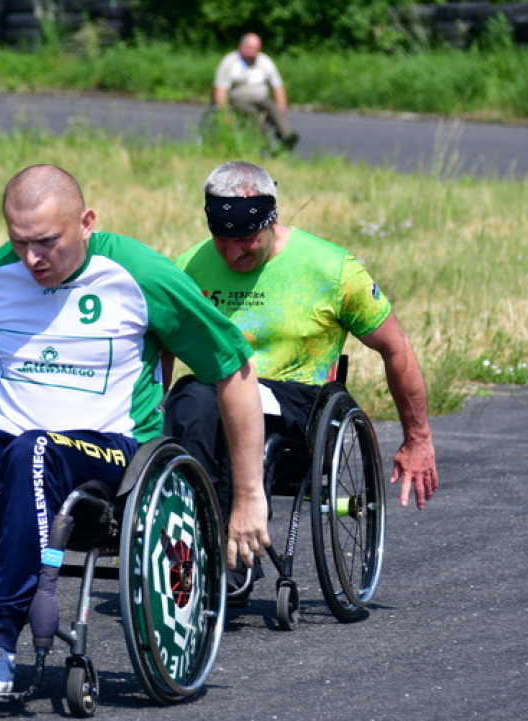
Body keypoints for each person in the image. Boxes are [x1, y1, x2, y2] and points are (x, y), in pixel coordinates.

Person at [0, 164, 268, 694]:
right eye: (19, 242)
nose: (32, 259)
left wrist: (250, 496)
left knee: (35, 449)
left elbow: (234, 370)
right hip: (8, 440)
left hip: (107, 449)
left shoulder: (140, 274)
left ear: (87, 222)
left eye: (47, 242)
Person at [164, 160, 438, 600]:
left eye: (246, 242)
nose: (233, 254)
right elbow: (159, 346)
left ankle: (227, 546)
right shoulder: (190, 267)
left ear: (272, 221)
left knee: (205, 397)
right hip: (208, 400)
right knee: (189, 399)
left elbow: (396, 347)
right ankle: (198, 534)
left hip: (295, 404)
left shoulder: (332, 269)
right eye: (223, 241)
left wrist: (417, 439)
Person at [213, 32, 299, 152]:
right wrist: (223, 113)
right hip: (238, 99)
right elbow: (221, 90)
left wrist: (282, 109)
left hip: (261, 98)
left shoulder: (264, 62)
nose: (253, 52)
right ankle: (265, 142)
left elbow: (278, 87)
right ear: (241, 47)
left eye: (256, 49)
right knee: (252, 114)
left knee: (275, 110)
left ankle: (287, 136)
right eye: (250, 48)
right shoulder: (230, 62)